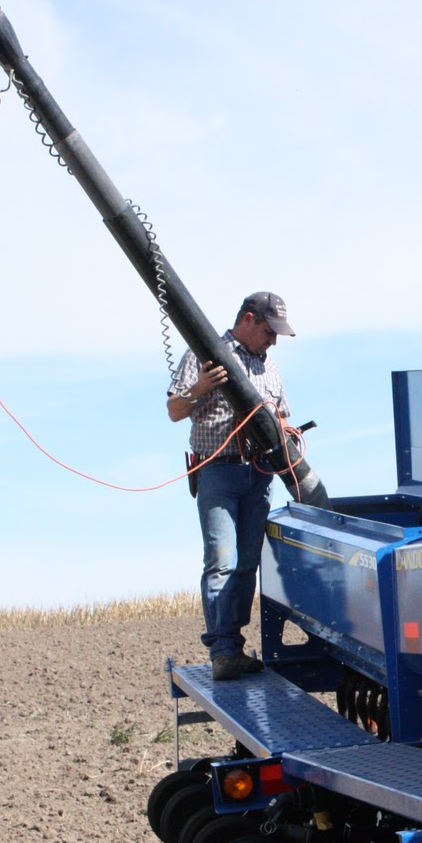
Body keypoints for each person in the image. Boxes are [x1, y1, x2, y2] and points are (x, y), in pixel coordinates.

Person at [167, 291, 295, 681]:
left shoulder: (268, 366)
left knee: (247, 564)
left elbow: (284, 416)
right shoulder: (203, 355)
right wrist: (201, 387)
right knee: (221, 560)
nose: (273, 340)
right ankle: (223, 650)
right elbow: (174, 410)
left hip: (258, 476)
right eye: (270, 331)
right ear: (248, 319)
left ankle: (234, 644)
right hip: (218, 472)